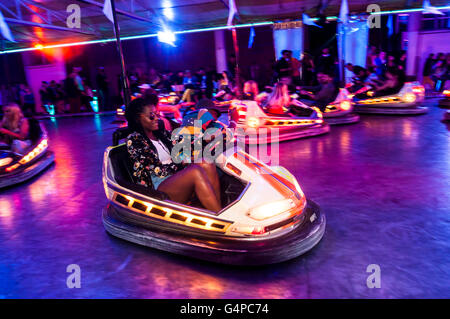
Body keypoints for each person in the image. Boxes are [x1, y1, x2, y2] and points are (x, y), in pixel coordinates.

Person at [125, 94, 222, 212]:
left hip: (174, 178)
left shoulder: (160, 134)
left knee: (206, 162)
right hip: (157, 187)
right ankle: (221, 219)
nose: (156, 118)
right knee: (194, 171)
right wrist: (183, 163)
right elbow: (155, 169)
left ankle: (218, 210)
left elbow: (182, 143)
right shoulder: (134, 140)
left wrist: (205, 139)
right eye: (151, 116)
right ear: (138, 118)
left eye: (157, 114)